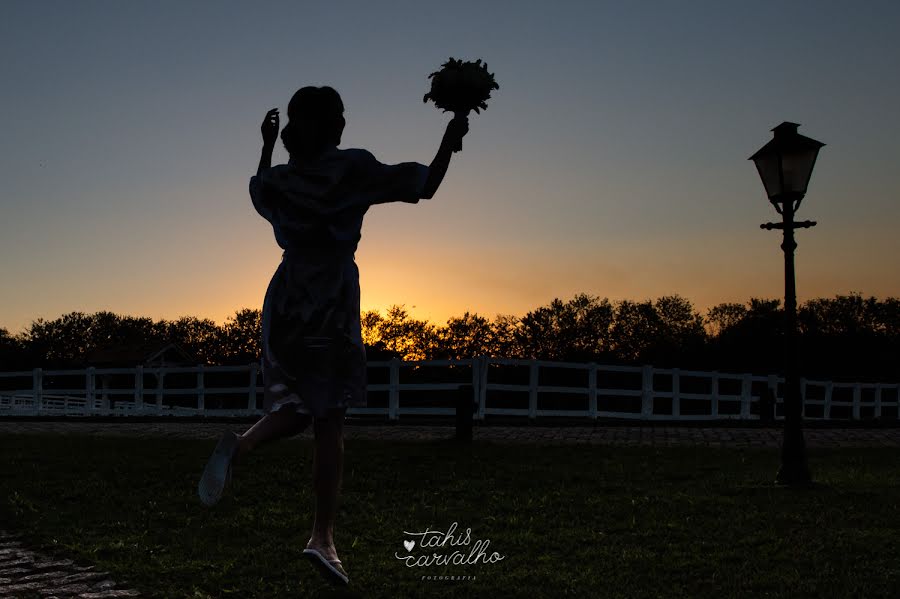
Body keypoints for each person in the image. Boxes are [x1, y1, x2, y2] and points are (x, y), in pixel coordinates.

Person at [198, 86, 468, 586]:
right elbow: (425, 185)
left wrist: (264, 144)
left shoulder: (280, 179)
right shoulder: (352, 168)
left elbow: (256, 188)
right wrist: (449, 137)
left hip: (284, 300)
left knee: (295, 408)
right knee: (329, 419)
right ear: (332, 125)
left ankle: (239, 447)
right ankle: (322, 537)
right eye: (340, 116)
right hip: (329, 297)